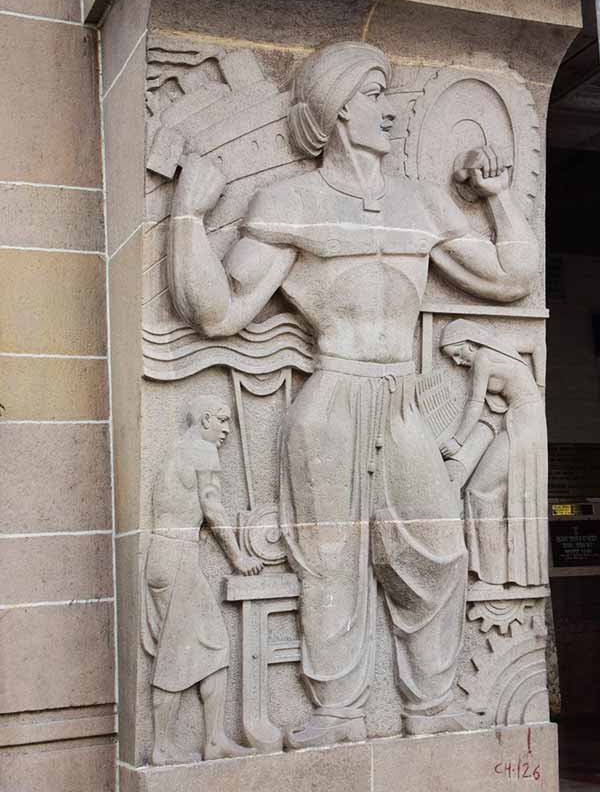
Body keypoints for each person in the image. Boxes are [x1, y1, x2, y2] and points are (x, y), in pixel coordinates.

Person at [167, 42, 539, 745]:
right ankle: (335, 712)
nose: (390, 110)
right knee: (328, 554)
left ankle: (430, 707)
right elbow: (219, 312)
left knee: (437, 552)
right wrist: (187, 215)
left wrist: (495, 200)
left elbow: (509, 277)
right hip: (333, 395)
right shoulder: (289, 201)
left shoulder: (420, 201)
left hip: (401, 397)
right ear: (336, 111)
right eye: (374, 93)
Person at [142, 395, 262, 765]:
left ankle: (213, 740)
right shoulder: (202, 451)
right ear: (206, 419)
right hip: (178, 557)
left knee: (211, 644)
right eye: (222, 421)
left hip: (165, 556)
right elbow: (213, 508)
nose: (227, 430)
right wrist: (238, 557)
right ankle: (162, 749)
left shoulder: (179, 450)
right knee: (177, 656)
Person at [439, 319, 548, 587]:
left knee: (479, 490)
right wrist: (540, 387)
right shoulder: (500, 348)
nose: (456, 362)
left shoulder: (482, 359)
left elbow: (474, 405)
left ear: (469, 343)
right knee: (494, 491)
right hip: (526, 419)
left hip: (521, 424)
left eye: (456, 353)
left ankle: (493, 573)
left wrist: (456, 441)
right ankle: (501, 570)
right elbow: (536, 345)